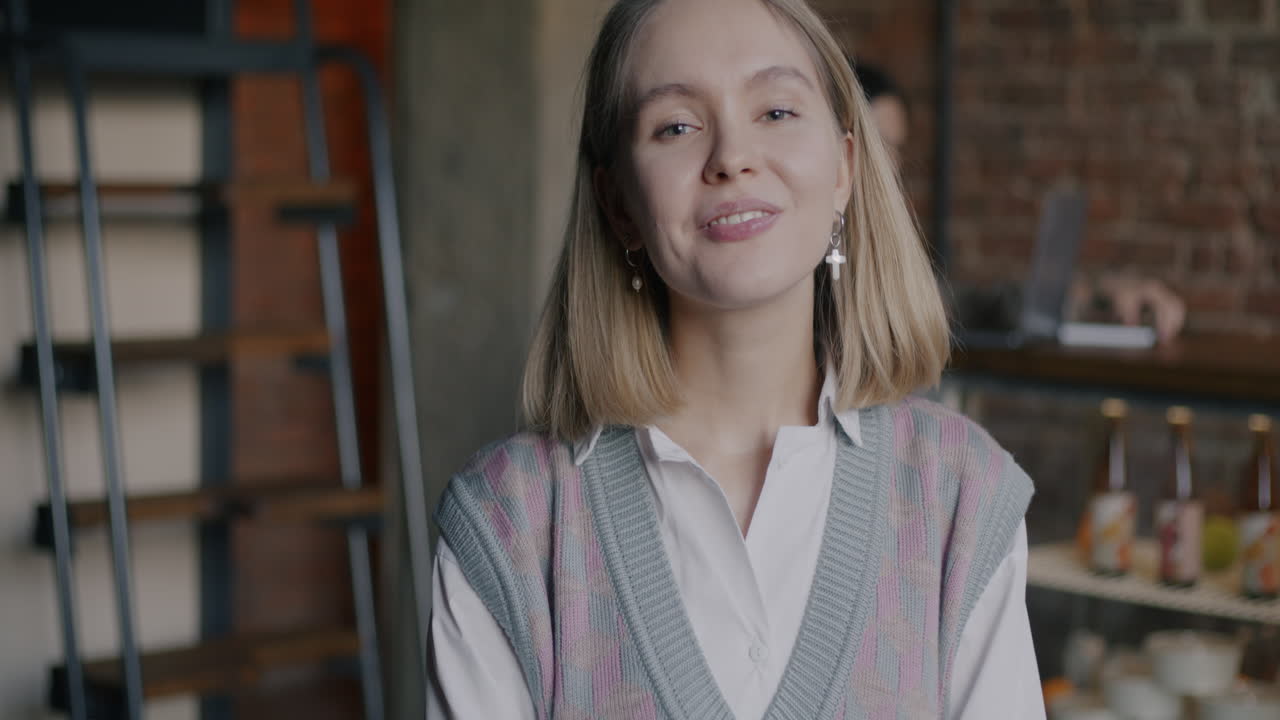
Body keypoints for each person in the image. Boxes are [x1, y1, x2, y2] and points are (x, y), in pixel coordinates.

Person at [428, 1, 1044, 718]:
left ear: (844, 167)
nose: (731, 157)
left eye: (776, 112)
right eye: (677, 126)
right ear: (619, 202)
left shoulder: (961, 499)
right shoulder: (507, 525)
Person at [852, 60, 1187, 343]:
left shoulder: (883, 243)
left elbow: (965, 304)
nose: (892, 165)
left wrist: (1099, 293)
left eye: (896, 148)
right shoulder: (825, 250)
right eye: (879, 144)